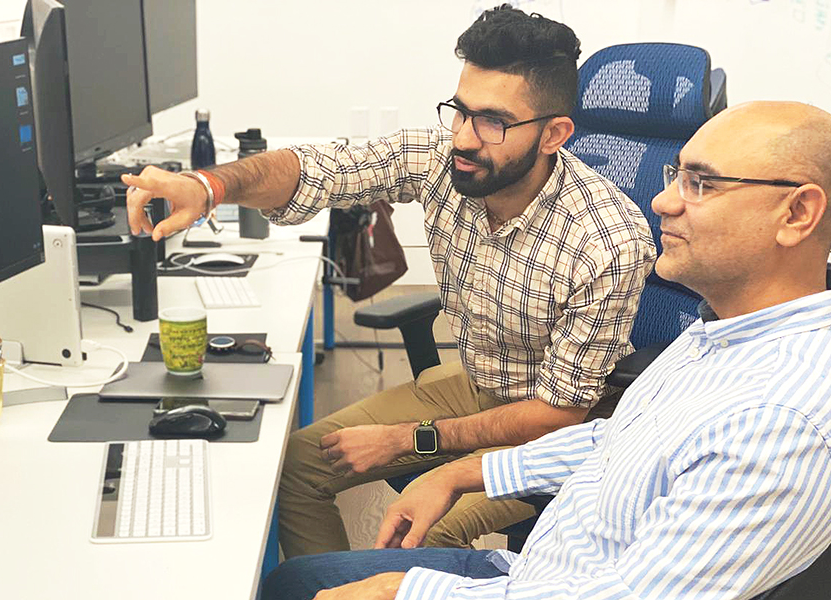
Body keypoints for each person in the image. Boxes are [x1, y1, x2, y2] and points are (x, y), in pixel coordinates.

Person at [124, 6, 655, 556]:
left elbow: (554, 416)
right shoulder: (443, 159)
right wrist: (208, 186)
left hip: (554, 432)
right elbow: (316, 168)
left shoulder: (608, 241)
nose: (465, 139)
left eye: (493, 122)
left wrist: (408, 439)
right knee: (302, 464)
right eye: (460, 111)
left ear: (554, 135)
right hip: (478, 386)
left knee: (420, 537)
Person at [258, 100, 831, 600]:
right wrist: (463, 473)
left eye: (700, 184)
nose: (662, 202)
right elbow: (611, 439)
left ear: (797, 213)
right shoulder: (721, 334)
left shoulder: (778, 421)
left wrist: (409, 588)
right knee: (297, 579)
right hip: (538, 568)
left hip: (555, 587)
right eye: (674, 175)